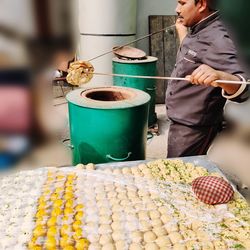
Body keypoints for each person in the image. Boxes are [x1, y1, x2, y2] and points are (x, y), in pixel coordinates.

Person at [166, 0, 249, 157]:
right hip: (181, 119)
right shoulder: (200, 27)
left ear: (202, 4)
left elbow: (245, 88)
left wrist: (220, 76)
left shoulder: (219, 38)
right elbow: (197, 52)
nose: (176, 9)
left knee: (179, 174)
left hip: (194, 127)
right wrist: (182, 31)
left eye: (182, 3)